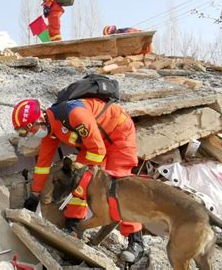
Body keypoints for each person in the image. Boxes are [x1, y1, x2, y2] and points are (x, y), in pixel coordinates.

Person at [11, 98, 145, 263]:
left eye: (28, 130)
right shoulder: (50, 132)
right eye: (23, 133)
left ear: (40, 119)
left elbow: (98, 150)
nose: (29, 135)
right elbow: (42, 166)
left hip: (118, 134)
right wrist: (34, 195)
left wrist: (82, 175)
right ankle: (73, 227)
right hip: (95, 143)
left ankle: (136, 242)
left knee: (121, 187)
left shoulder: (74, 114)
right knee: (79, 184)